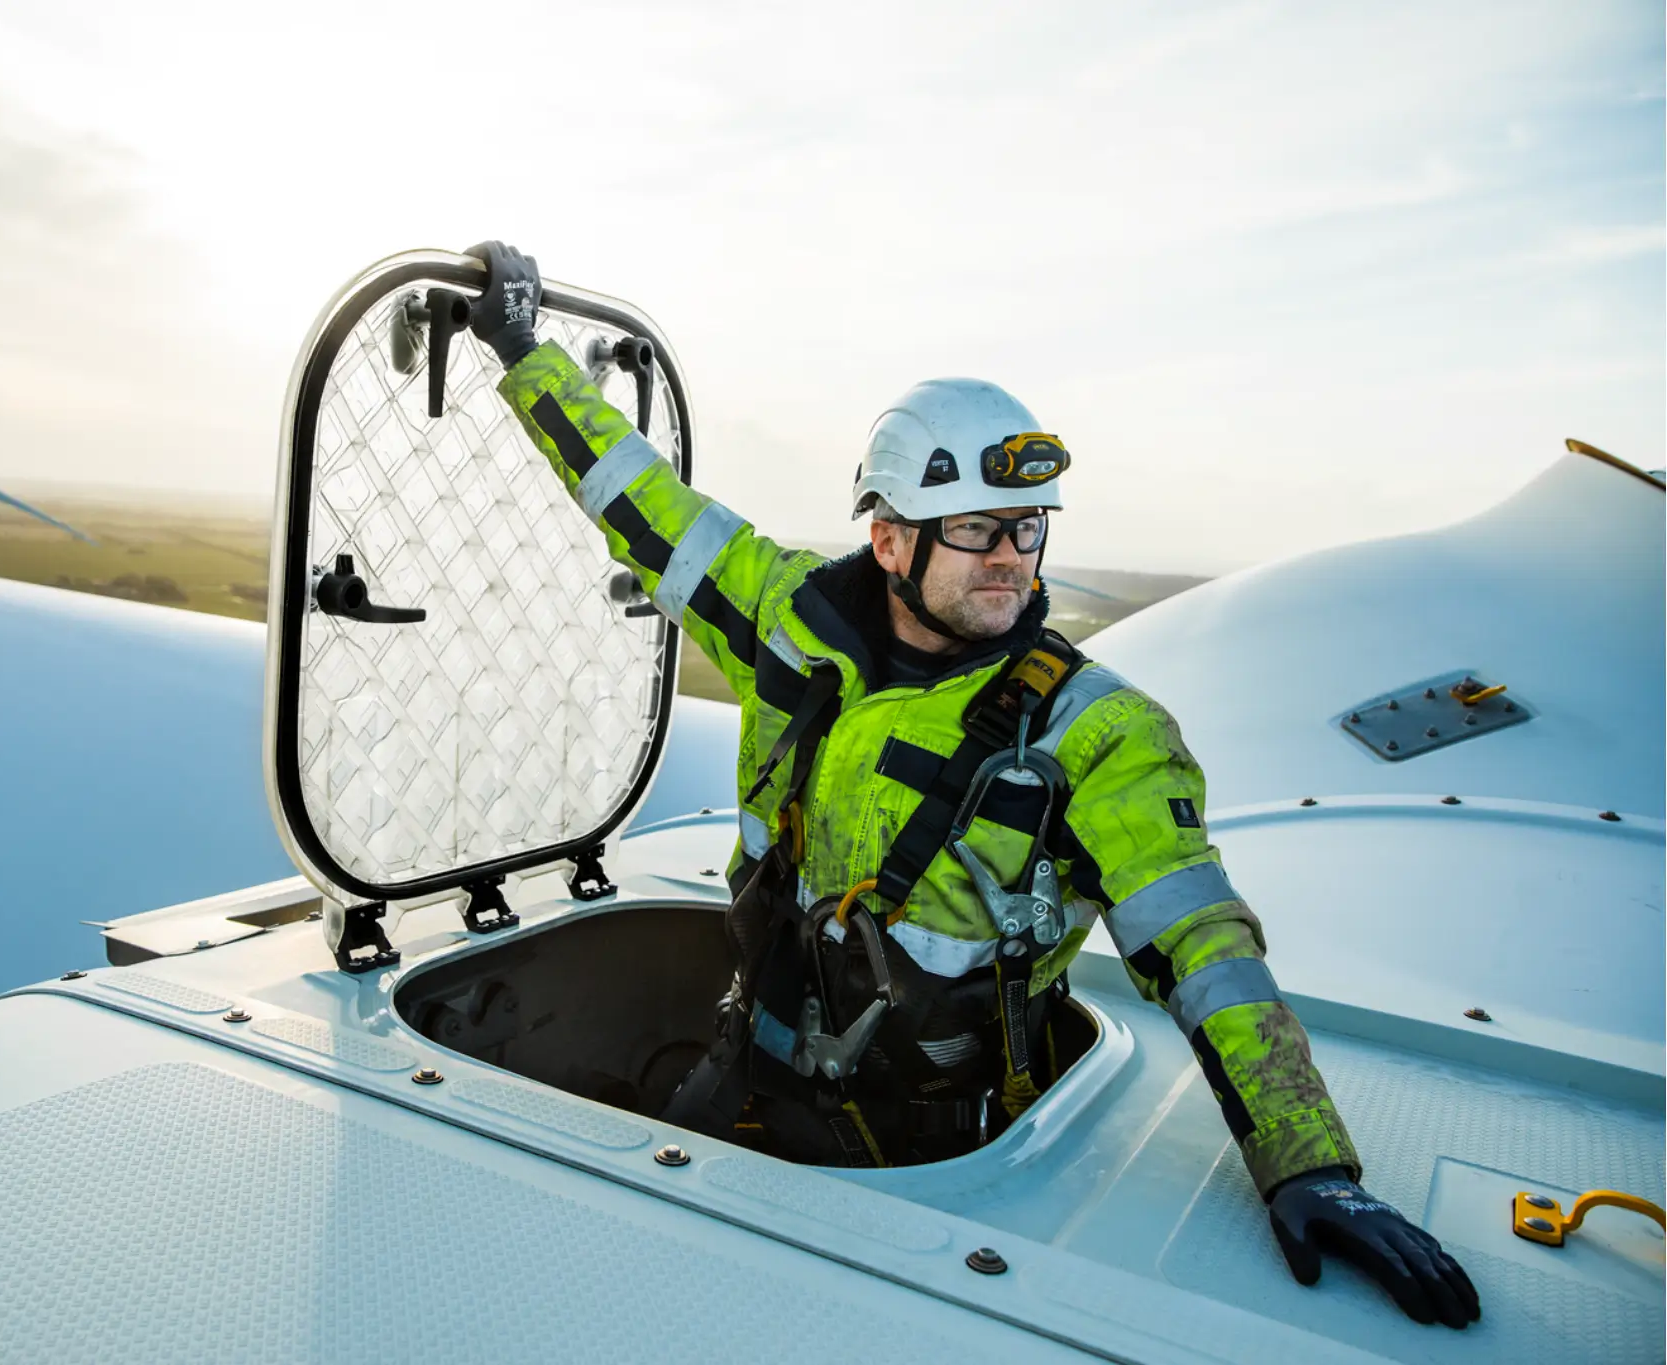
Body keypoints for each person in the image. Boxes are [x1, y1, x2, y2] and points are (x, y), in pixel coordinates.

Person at [461, 241, 1479, 1330]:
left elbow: (1204, 946)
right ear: (889, 539)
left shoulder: (1095, 735)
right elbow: (636, 495)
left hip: (927, 1174)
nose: (1012, 558)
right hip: (740, 1083)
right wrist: (519, 344)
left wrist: (1306, 1163)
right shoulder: (788, 616)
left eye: (1028, 528)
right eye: (978, 531)